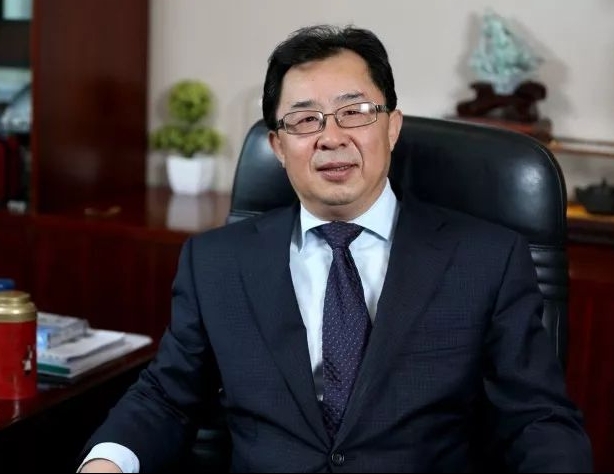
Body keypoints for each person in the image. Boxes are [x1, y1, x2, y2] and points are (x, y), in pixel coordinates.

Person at [78, 24, 592, 473]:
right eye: (305, 120)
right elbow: (166, 397)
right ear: (278, 147)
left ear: (392, 126)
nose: (330, 137)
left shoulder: (485, 259)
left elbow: (536, 419)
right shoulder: (216, 263)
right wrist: (106, 462)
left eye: (355, 112)